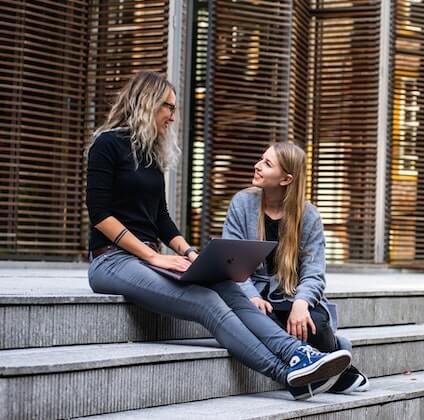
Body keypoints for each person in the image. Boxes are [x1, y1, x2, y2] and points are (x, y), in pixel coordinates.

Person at [85, 71, 350, 401]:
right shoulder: (107, 145)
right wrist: (153, 256)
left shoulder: (151, 156)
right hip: (112, 261)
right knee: (206, 301)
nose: (173, 115)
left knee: (225, 284)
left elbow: (162, 220)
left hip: (148, 260)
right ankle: (287, 375)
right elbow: (100, 216)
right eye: (169, 106)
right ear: (147, 103)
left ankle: (298, 354)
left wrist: (192, 255)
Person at [222, 142, 370, 395]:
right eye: (261, 159)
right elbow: (231, 261)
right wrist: (252, 296)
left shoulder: (308, 215)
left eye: (267, 164)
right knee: (259, 321)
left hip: (290, 295)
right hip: (253, 293)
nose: (257, 166)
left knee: (315, 322)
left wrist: (302, 303)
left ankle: (326, 360)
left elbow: (314, 272)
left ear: (286, 179)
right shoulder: (242, 203)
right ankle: (336, 370)